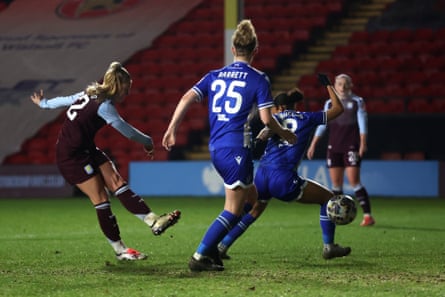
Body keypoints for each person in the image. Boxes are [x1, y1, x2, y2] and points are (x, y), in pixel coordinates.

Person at [162, 19, 297, 272]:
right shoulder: (259, 79)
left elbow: (186, 97)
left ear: (233, 49)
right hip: (237, 149)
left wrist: (172, 129)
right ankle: (201, 256)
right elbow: (267, 119)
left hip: (217, 148)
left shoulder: (214, 75)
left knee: (252, 197)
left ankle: (213, 249)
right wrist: (286, 134)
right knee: (233, 210)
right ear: (255, 50)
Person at [30, 61, 181, 261]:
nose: (127, 93)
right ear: (119, 87)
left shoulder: (89, 94)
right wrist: (148, 142)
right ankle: (120, 250)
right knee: (101, 199)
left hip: (86, 148)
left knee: (117, 182)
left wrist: (44, 103)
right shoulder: (105, 106)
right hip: (71, 156)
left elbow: (64, 100)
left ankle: (154, 222)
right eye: (127, 89)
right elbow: (126, 130)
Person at [218, 74, 352, 261]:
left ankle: (222, 245)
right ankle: (329, 247)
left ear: (278, 107)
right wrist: (329, 86)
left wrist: (259, 139)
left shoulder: (275, 118)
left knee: (254, 209)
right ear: (293, 105)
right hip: (283, 178)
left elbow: (265, 131)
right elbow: (338, 109)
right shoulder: (307, 118)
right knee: (328, 199)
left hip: (262, 175)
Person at [306, 73, 375, 227]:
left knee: (354, 182)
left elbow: (362, 123)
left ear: (350, 85)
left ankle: (368, 215)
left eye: (345, 84)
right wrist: (313, 144)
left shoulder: (357, 101)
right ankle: (335, 216)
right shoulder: (329, 103)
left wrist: (363, 143)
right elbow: (323, 125)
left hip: (351, 146)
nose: (342, 87)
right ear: (335, 86)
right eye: (339, 84)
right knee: (336, 185)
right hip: (334, 147)